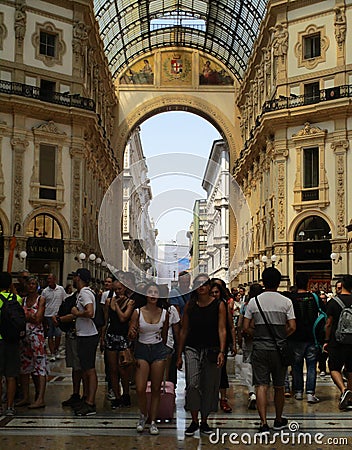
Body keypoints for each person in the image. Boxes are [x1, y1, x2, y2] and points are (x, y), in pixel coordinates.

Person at [243, 267, 296, 434]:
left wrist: (258, 335)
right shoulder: (286, 302)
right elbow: (293, 327)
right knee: (279, 386)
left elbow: (245, 327)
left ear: (263, 281)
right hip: (279, 350)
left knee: (261, 386)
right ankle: (279, 420)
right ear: (279, 282)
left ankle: (264, 422)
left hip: (259, 349)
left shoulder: (254, 302)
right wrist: (281, 336)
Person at [177, 274, 226, 437]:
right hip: (192, 348)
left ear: (209, 287)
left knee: (209, 386)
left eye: (204, 284)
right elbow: (184, 330)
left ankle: (204, 421)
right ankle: (194, 420)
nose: (201, 286)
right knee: (192, 384)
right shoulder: (190, 305)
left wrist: (222, 351)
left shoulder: (219, 305)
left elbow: (222, 329)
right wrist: (179, 354)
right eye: (198, 283)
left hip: (211, 349)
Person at [128, 282, 169, 435]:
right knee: (140, 388)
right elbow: (131, 333)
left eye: (155, 292)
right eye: (150, 292)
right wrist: (132, 333)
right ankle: (143, 414)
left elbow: (165, 335)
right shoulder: (137, 312)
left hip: (158, 350)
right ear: (146, 295)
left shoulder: (165, 313)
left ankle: (152, 421)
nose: (153, 295)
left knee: (157, 389)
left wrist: (166, 351)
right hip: (142, 349)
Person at [286, 272, 325, 403]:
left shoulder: (291, 298)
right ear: (308, 282)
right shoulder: (314, 297)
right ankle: (310, 393)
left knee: (296, 365)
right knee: (312, 365)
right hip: (312, 337)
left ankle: (297, 392)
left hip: (295, 337)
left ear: (296, 283)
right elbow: (323, 313)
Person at [71, 268, 99, 416]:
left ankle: (90, 402)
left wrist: (77, 313)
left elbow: (90, 312)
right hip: (85, 335)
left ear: (79, 278)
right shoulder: (85, 293)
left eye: (75, 277)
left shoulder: (84, 293)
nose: (73, 279)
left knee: (89, 370)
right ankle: (87, 398)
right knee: (85, 368)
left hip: (88, 336)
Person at [102, 278, 135, 409]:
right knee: (113, 369)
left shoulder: (130, 302)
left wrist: (116, 306)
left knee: (123, 369)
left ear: (125, 288)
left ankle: (126, 394)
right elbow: (106, 320)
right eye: (115, 289)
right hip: (111, 336)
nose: (117, 292)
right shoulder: (108, 301)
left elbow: (123, 318)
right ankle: (117, 395)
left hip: (123, 337)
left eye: (119, 289)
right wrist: (102, 337)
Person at [17, 276, 47, 409]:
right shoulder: (23, 300)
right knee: (25, 367)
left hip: (37, 337)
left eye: (34, 284)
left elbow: (38, 318)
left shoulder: (41, 299)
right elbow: (22, 317)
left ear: (37, 286)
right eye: (29, 284)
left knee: (39, 366)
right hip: (25, 337)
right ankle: (25, 396)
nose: (31, 286)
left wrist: (27, 316)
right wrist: (30, 316)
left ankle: (40, 398)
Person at [54, 274, 83, 410]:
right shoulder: (73, 297)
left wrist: (60, 319)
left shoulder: (85, 296)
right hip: (71, 334)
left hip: (80, 336)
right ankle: (76, 394)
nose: (73, 280)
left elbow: (76, 314)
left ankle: (85, 396)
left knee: (81, 366)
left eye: (76, 278)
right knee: (74, 366)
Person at [324, 274, 352, 410]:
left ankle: (343, 389)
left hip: (337, 340)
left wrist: (326, 340)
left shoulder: (333, 302)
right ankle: (351, 396)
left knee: (334, 368)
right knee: (351, 368)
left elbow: (328, 324)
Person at [209, 280, 236, 413]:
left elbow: (230, 326)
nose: (214, 295)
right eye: (212, 292)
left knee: (222, 370)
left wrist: (234, 343)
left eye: (217, 292)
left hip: (222, 343)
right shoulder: (204, 305)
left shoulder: (224, 306)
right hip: (208, 342)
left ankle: (223, 398)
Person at [0, 272, 23, 416]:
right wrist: (13, 291)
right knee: (11, 375)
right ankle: (9, 406)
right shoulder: (17, 299)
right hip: (12, 341)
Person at [237, 283, 263, 410]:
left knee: (248, 365)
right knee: (261, 366)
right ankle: (260, 392)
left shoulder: (246, 306)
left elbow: (241, 323)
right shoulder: (264, 304)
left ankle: (252, 392)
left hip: (248, 339)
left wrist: (239, 337)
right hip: (262, 339)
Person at [42, 273, 67, 361]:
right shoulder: (45, 291)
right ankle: (52, 353)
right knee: (50, 335)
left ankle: (56, 350)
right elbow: (43, 304)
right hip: (48, 315)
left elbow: (65, 300)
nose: (49, 280)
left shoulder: (60, 289)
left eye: (50, 278)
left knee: (58, 334)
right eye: (48, 278)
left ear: (54, 279)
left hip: (57, 316)